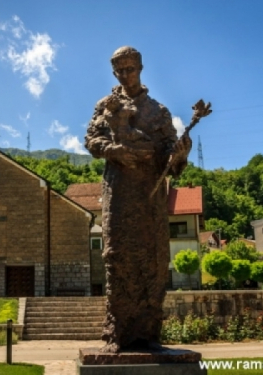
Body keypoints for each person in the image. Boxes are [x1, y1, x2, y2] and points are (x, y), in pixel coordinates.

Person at [85, 46, 192, 353]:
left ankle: (149, 334)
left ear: (141, 68)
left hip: (150, 197)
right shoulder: (105, 105)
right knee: (117, 259)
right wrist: (110, 150)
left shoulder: (158, 112)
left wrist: (179, 154)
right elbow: (91, 139)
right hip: (118, 193)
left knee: (153, 261)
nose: (125, 75)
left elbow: (172, 156)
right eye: (119, 70)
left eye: (130, 69)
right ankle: (117, 334)